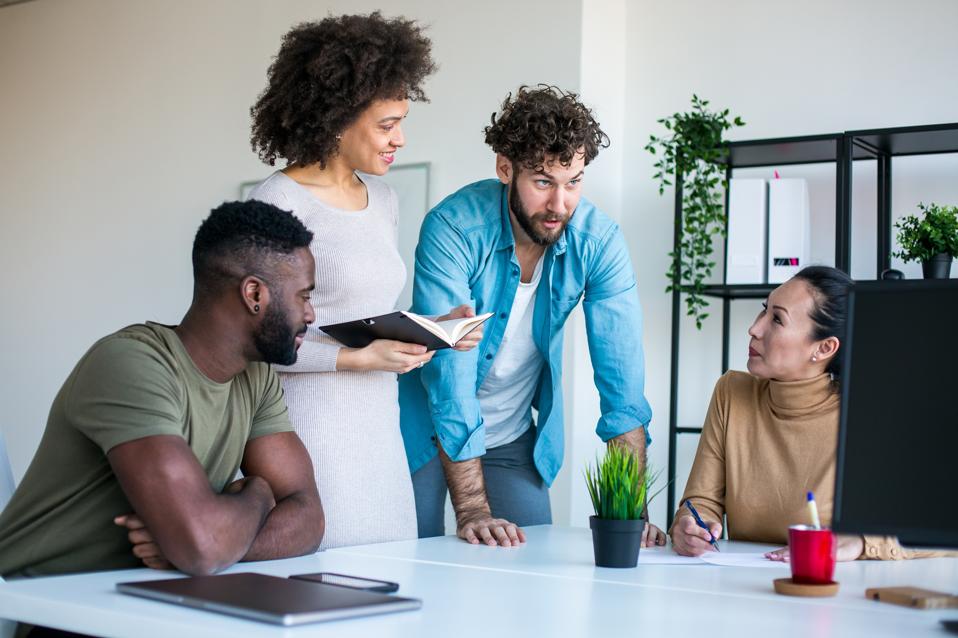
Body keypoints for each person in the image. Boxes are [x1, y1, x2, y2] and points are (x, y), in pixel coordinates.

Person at [247, 13, 480, 550]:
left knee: (387, 578)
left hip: (378, 428)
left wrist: (431, 329)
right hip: (311, 429)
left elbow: (367, 314)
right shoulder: (276, 203)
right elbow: (256, 343)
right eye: (387, 124)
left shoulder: (385, 200)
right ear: (337, 118)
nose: (400, 138)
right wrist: (355, 360)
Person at [0, 200, 324, 579]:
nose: (310, 314)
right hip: (37, 603)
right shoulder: (131, 365)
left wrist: (218, 540)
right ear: (254, 295)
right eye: (304, 295)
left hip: (146, 595)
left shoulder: (256, 377)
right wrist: (256, 495)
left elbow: (308, 519)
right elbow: (202, 547)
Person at [399, 85, 664, 548]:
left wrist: (632, 515)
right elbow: (450, 371)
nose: (560, 204)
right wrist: (474, 509)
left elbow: (621, 379)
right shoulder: (456, 227)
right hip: (427, 424)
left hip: (512, 436)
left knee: (527, 562)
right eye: (543, 181)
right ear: (505, 168)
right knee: (412, 554)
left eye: (574, 181)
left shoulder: (598, 242)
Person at [670, 266, 949, 561]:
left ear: (825, 347)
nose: (755, 328)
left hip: (838, 591)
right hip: (743, 588)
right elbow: (701, 502)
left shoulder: (874, 414)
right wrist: (690, 526)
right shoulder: (733, 393)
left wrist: (862, 543)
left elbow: (943, 527)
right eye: (764, 310)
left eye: (777, 319)